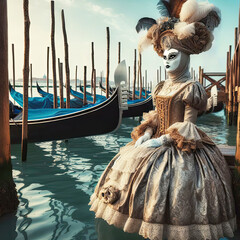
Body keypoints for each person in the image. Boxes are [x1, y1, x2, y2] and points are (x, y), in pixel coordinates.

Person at [89, 0, 236, 239]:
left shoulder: (191, 87)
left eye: (173, 55)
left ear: (186, 55)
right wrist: (147, 133)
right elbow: (157, 115)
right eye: (165, 56)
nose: (167, 61)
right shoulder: (160, 87)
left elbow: (188, 126)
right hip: (154, 138)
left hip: (180, 144)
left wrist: (160, 141)